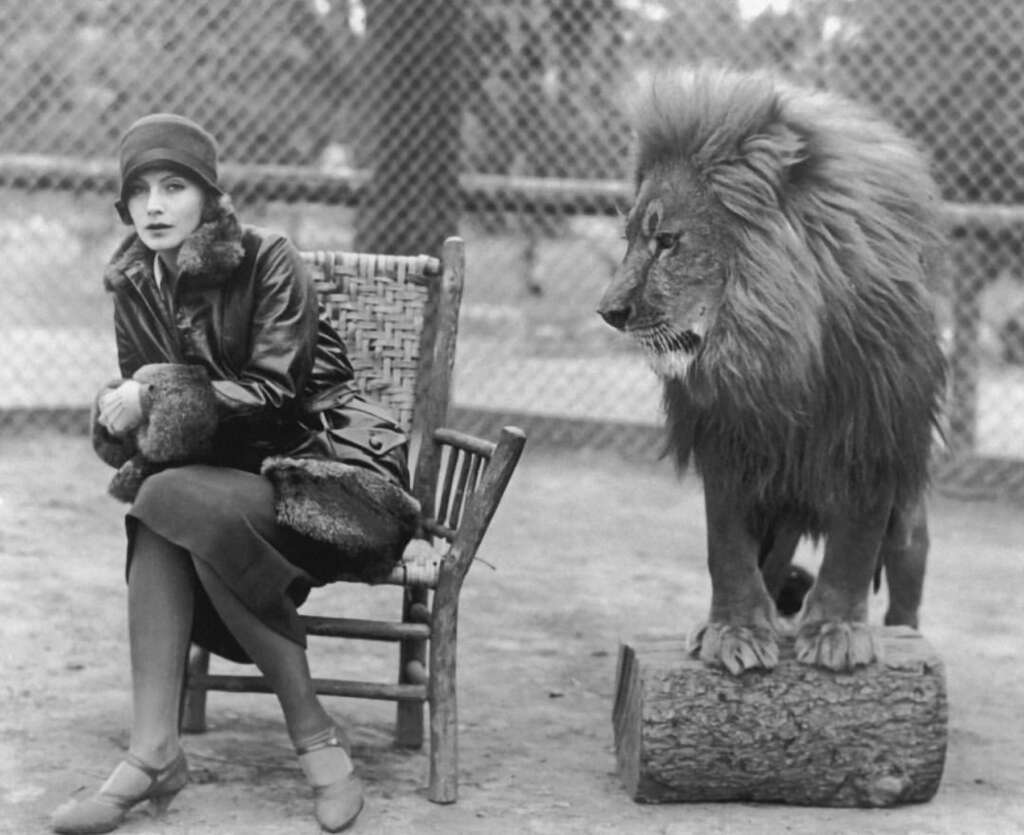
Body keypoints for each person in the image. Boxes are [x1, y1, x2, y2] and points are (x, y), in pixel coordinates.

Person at [51, 113, 420, 834]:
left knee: (173, 502)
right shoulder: (134, 283)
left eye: (174, 186)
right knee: (168, 497)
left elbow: (275, 395)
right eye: (139, 192)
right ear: (123, 206)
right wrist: (127, 415)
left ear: (209, 197)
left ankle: (222, 740)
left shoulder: (268, 258)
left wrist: (155, 396)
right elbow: (161, 434)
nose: (154, 206)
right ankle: (189, 744)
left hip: (324, 473)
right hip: (219, 488)